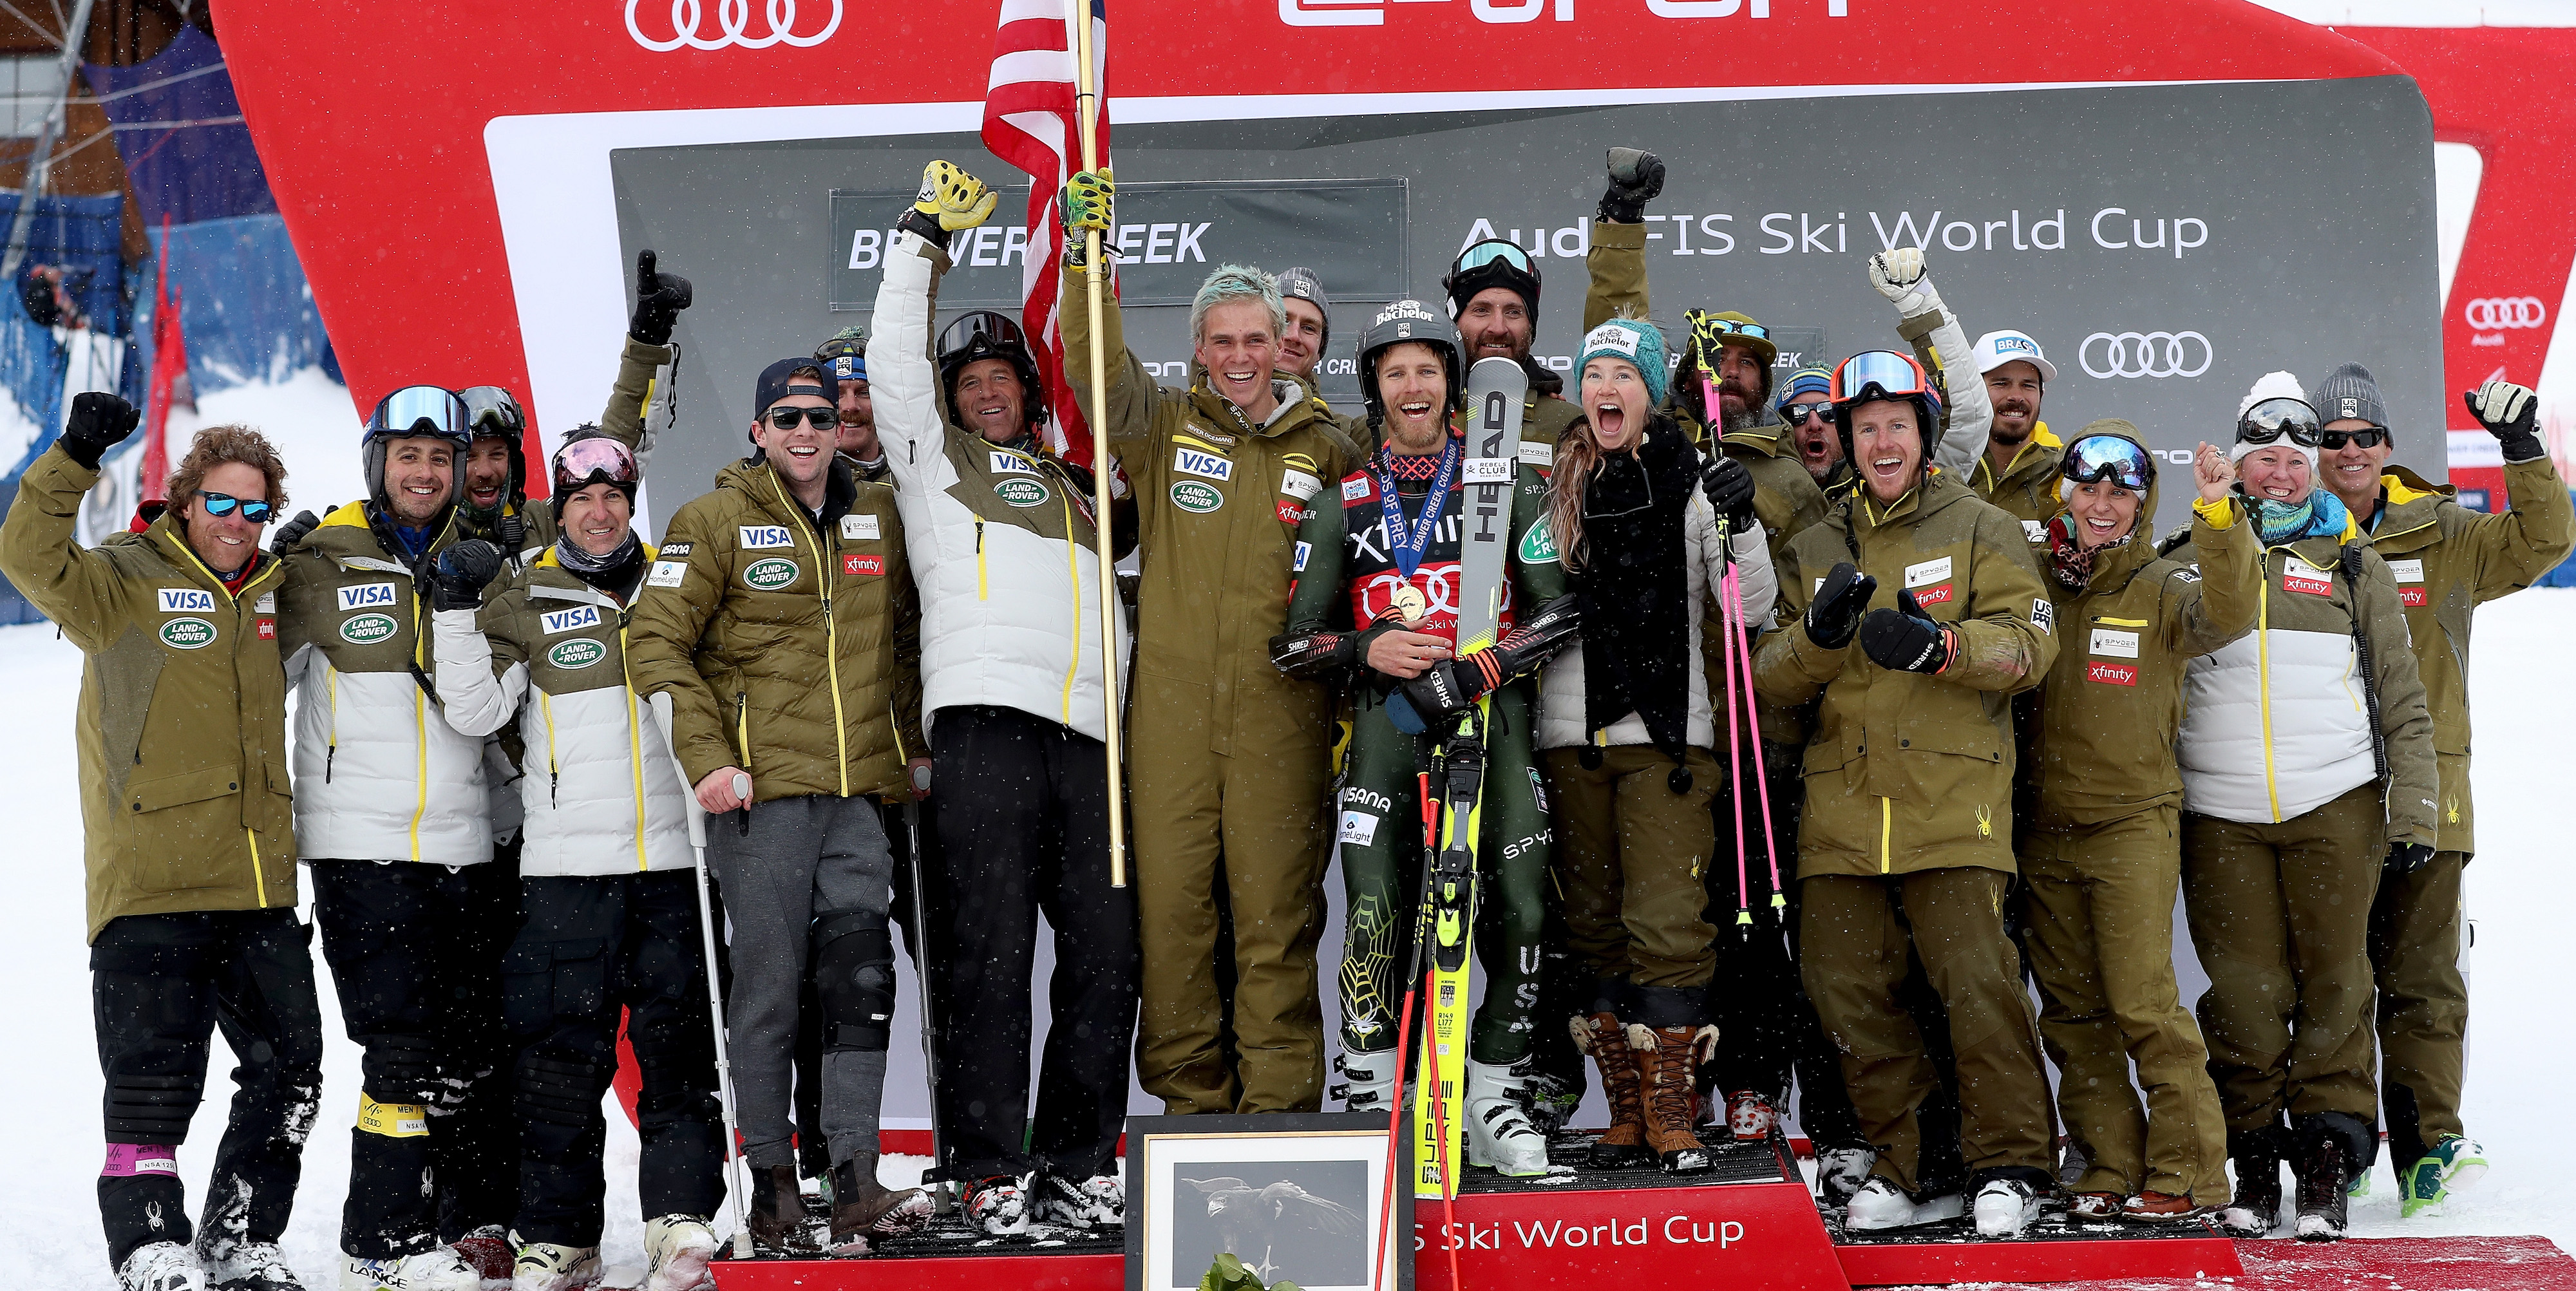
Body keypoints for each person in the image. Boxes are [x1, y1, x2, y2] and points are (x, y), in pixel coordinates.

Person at [1056, 169, 1362, 1115]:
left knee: (1274, 925)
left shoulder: (1331, 446)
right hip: (1173, 724)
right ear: (1199, 347)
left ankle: (1275, 1116)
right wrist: (1084, 262)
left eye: (1256, 339)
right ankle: (1191, 1115)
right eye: (1222, 340)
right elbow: (1091, 365)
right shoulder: (1160, 424)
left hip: (1284, 721)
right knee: (1176, 926)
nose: (1240, 355)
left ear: (1286, 346)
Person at [869, 162, 1137, 1233]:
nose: (989, 386)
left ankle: (1077, 1159)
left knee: (1106, 957)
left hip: (1092, 739)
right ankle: (983, 1166)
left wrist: (1086, 261)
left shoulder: (1082, 488)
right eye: (968, 374)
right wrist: (921, 237)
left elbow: (1107, 378)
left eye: (1004, 374)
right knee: (985, 957)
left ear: (1030, 391)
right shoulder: (932, 470)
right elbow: (892, 363)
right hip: (982, 724)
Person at [2, 402, 322, 1291]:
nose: (237, 523)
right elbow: (27, 554)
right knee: (153, 1085)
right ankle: (149, 1243)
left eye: (255, 510)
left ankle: (239, 1235)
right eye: (221, 503)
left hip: (258, 883)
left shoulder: (269, 589)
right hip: (150, 883)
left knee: (291, 1073)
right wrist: (75, 455)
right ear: (185, 502)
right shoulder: (120, 585)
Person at [625, 359, 934, 1252]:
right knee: (768, 996)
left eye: (821, 417)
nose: (806, 432)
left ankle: (855, 1181)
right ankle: (769, 1189)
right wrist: (710, 761)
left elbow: (906, 636)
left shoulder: (879, 512)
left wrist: (911, 739)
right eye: (787, 417)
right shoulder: (712, 519)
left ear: (842, 428)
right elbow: (654, 641)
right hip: (760, 802)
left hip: (857, 799)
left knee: (860, 985)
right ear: (758, 430)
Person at [1754, 349, 2060, 1238]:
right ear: (1845, 439)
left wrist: (1942, 649)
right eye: (1865, 426)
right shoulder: (1817, 544)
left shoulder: (1980, 525)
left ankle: (2010, 1164)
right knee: (1846, 989)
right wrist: (1815, 637)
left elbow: (2029, 647)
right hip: (1843, 808)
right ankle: (1912, 1162)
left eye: (1897, 424)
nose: (1881, 440)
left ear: (1925, 434)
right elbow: (1768, 675)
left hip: (1949, 804)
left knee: (1977, 988)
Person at [1270, 301, 1577, 1174]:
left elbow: (1562, 608)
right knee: (1377, 913)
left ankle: (1494, 1096)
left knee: (1518, 905)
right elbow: (1293, 641)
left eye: (1428, 369)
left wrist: (1484, 666)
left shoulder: (1507, 484)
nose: (1413, 384)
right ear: (1374, 387)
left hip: (1492, 721)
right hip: (1386, 729)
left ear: (1454, 385)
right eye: (1395, 370)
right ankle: (1377, 1095)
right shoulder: (1343, 504)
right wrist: (1367, 646)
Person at [425, 431, 729, 1291]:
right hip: (564, 875)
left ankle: (680, 1225)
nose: (599, 513)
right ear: (559, 512)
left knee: (679, 1058)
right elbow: (476, 710)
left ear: (631, 504)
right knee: (558, 1067)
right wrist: (453, 606)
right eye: (581, 500)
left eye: (614, 497)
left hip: (676, 863)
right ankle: (561, 1239)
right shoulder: (526, 598)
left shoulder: (678, 588)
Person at [2177, 373, 2438, 1243]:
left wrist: (2417, 814)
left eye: (2296, 459)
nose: (2281, 474)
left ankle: (2326, 1161)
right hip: (2221, 813)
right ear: (2241, 467)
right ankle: (2252, 1159)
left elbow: (2403, 695)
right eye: (2264, 459)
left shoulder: (2354, 561)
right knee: (2247, 994)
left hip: (2337, 801)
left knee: (2336, 986)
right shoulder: (2191, 551)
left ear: (2314, 471)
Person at [2309, 366, 2571, 1214]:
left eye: (2362, 437)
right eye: (2331, 439)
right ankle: (2340, 1147)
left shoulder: (2444, 532)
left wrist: (2523, 448)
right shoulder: (2282, 538)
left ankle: (2427, 1146)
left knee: (2423, 981)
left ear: (2387, 448)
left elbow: (2546, 540)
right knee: (2336, 981)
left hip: (2433, 796)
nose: (2348, 452)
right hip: (2324, 797)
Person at [272, 386, 516, 1290]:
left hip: (463, 843)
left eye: (440, 458)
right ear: (377, 461)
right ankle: (380, 1243)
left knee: (465, 1048)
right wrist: (249, 570)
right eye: (407, 456)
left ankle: (458, 1227)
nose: (424, 473)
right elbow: (245, 675)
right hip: (359, 845)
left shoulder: (489, 561)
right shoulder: (321, 561)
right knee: (401, 1048)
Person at [1534, 318, 1779, 1174]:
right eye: (1592, 371)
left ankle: (1674, 1103)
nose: (1607, 386)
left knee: (1668, 924)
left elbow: (1751, 608)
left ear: (1648, 393)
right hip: (1572, 734)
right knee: (1596, 928)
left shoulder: (1691, 479)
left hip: (1673, 735)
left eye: (1623, 374)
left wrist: (1741, 517)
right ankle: (1627, 1109)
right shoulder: (1553, 478)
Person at [2013, 425, 2258, 1223]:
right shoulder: (2036, 582)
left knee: (2144, 1003)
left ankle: (2190, 1172)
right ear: (2067, 494)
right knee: (2073, 1012)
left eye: (2121, 493)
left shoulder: (2162, 584)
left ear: (2141, 502)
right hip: (2042, 829)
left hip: (2129, 826)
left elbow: (2229, 611)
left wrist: (2220, 518)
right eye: (2090, 489)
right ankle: (2107, 1163)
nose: (2103, 505)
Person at [1964, 331, 2062, 528]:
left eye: (2028, 385)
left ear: (2041, 395)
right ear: (1974, 391)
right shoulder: (1941, 466)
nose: (2016, 396)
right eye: (2001, 384)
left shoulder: (2063, 471)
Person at [813, 325, 885, 479]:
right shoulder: (796, 486)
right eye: (838, 394)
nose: (851, 406)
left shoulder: (913, 477)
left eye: (864, 393)